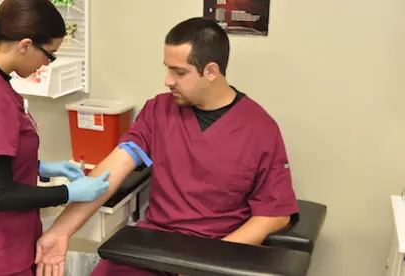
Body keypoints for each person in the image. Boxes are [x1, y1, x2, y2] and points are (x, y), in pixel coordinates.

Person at [33, 17, 300, 276]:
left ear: (211, 71)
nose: (168, 80)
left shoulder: (260, 129)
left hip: (219, 253)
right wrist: (60, 231)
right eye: (167, 68)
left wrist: (206, 264)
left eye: (179, 72)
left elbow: (274, 215)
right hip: (154, 248)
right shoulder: (159, 111)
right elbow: (109, 174)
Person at [0, 1, 110, 276]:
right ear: (24, 45)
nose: (46, 63)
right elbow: (1, 194)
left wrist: (41, 166)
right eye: (50, 54)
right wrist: (69, 193)